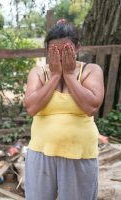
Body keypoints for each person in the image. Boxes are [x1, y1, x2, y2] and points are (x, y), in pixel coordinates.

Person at [24, 19, 104, 200]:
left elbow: (91, 106)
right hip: (41, 152)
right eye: (54, 51)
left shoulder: (92, 70)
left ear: (77, 48)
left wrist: (68, 75)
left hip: (80, 153)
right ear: (47, 50)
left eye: (66, 50)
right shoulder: (38, 73)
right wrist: (54, 77)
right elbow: (32, 107)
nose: (60, 56)